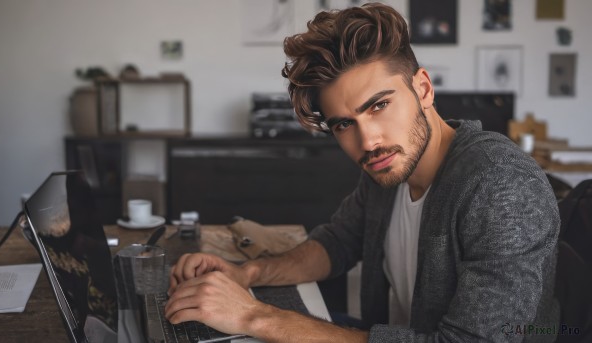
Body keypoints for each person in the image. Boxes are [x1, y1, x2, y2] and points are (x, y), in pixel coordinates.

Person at [165, 3, 560, 342]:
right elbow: (337, 243)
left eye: (378, 106)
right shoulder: (388, 170)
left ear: (422, 89)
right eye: (343, 124)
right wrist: (245, 273)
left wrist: (254, 316)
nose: (368, 141)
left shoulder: (501, 185)